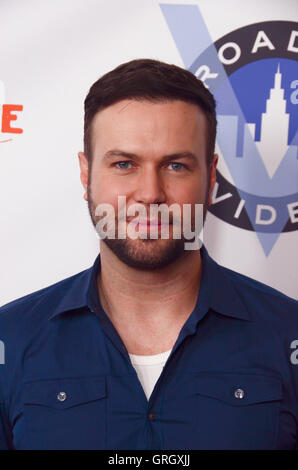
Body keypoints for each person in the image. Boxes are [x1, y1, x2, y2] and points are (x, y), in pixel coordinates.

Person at [0, 58, 298, 450]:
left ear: (210, 179)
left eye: (175, 165)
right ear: (86, 175)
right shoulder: (12, 338)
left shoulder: (287, 333)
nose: (150, 193)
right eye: (124, 164)